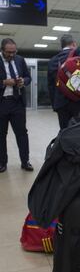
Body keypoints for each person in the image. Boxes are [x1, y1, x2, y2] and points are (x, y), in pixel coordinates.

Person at [0, 38, 33, 172]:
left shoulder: (20, 59)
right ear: (2, 50)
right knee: (1, 135)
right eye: (9, 52)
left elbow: (28, 77)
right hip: (1, 103)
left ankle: (25, 162)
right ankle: (2, 163)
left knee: (22, 134)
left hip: (17, 102)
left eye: (14, 52)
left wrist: (22, 81)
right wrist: (3, 82)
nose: (12, 55)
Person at [47, 34, 80, 129]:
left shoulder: (53, 61)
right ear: (74, 44)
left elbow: (51, 86)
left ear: (62, 46)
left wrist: (55, 105)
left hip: (61, 104)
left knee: (65, 132)